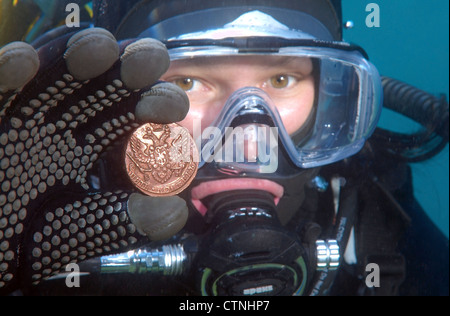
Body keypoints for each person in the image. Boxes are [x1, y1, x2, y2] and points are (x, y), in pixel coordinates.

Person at [0, 0, 448, 296]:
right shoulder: (40, 195)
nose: (247, 140)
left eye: (281, 79)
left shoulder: (368, 212)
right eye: (188, 81)